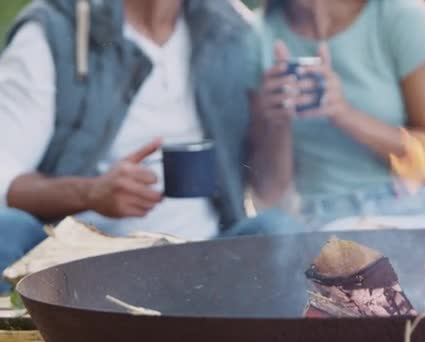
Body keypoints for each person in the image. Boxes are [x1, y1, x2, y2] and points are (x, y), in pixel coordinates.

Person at [0, 0, 255, 292]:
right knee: (4, 229)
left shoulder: (230, 28)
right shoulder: (54, 29)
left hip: (207, 257)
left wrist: (281, 122)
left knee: (278, 230)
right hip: (76, 270)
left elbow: (275, 191)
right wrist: (90, 192)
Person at [248, 0, 425, 231]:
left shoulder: (402, 16)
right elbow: (269, 191)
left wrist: (344, 114)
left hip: (415, 207)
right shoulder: (256, 34)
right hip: (322, 220)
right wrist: (275, 121)